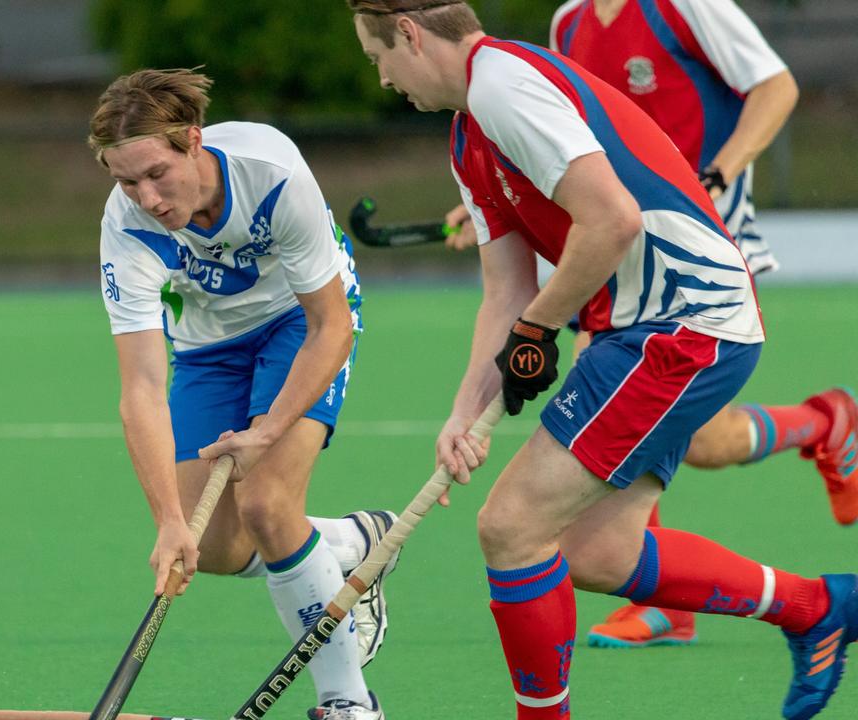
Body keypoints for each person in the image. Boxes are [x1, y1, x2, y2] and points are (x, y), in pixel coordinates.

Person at [349, 2, 857, 719]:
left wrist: (537, 330)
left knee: (511, 526)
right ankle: (816, 607)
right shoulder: (469, 133)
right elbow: (508, 292)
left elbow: (611, 220)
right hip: (643, 327)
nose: (382, 81)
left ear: (408, 33)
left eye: (377, 59)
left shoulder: (502, 84)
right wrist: (466, 414)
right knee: (599, 553)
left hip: (683, 323)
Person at [89, 68, 393, 719]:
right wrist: (170, 520)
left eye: (155, 174)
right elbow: (140, 386)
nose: (145, 196)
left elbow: (329, 324)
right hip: (206, 345)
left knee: (267, 501)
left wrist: (269, 427)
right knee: (221, 550)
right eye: (125, 181)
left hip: (299, 320)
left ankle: (349, 702)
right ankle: (348, 545)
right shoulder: (127, 226)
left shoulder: (272, 176)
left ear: (192, 141)